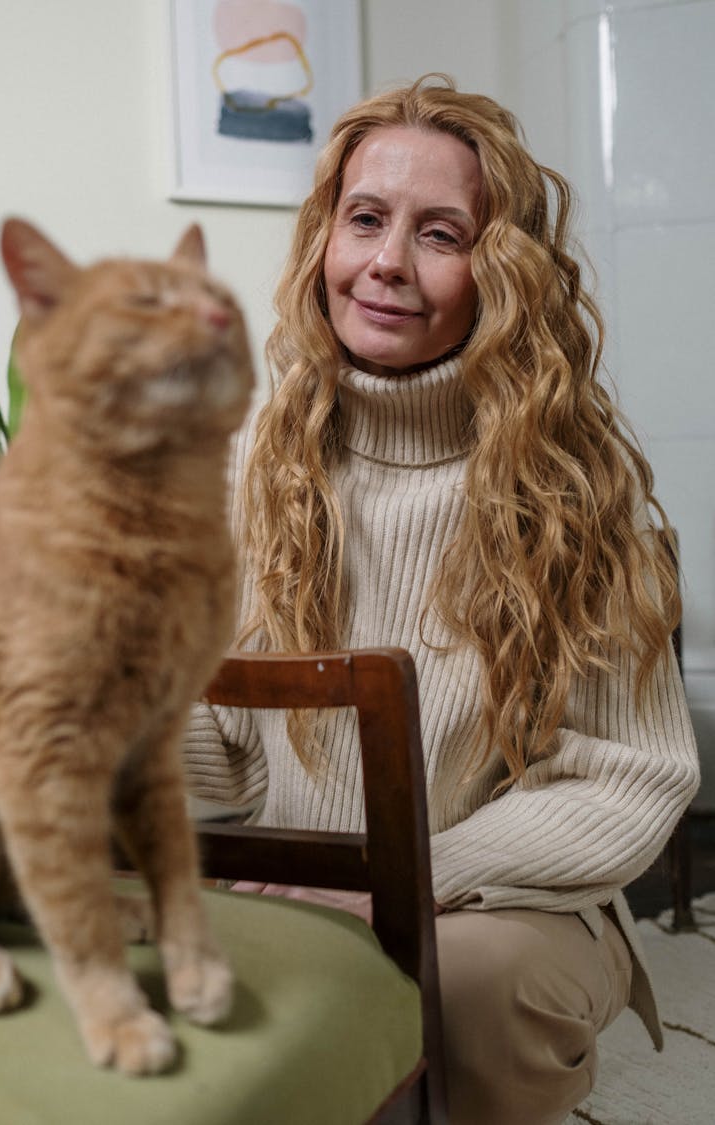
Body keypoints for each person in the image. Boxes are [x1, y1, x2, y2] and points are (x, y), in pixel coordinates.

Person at [182, 75, 700, 1124]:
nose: (385, 263)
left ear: (501, 270)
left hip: (510, 900)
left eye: (441, 233)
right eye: (365, 218)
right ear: (325, 240)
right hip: (298, 878)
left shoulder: (578, 488)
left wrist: (401, 878)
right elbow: (222, 739)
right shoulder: (254, 461)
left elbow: (633, 780)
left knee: (459, 988)